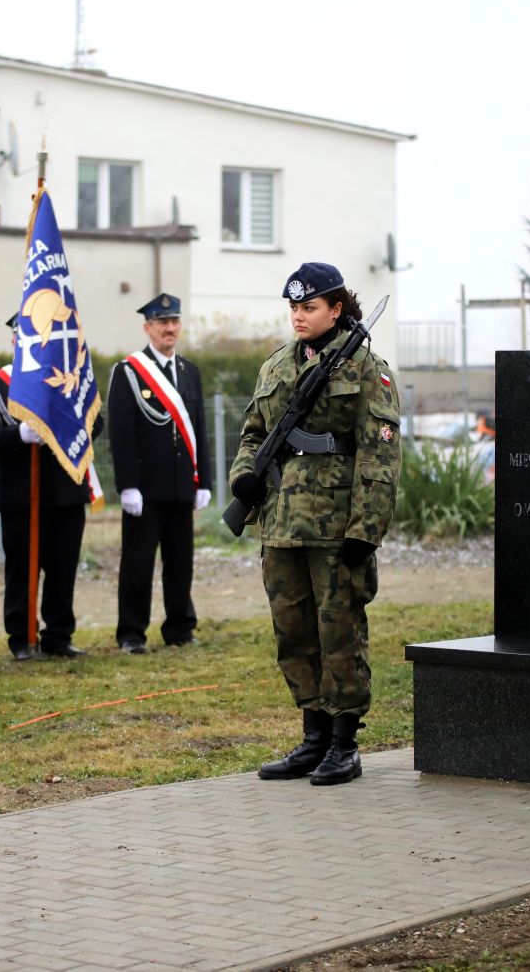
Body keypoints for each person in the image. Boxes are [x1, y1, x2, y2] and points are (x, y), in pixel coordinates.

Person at [228, 263, 401, 786]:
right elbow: (254, 434)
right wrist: (243, 478)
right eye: (294, 309)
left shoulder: (368, 369)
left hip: (335, 527)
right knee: (293, 631)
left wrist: (364, 531)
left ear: (337, 309)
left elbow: (380, 457)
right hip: (280, 523)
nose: (299, 317)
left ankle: (344, 743)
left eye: (310, 308)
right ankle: (313, 736)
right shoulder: (276, 365)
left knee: (339, 631)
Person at [0, 314, 96, 660]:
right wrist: (18, 435)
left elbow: (96, 421)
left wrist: (63, 427)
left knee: (63, 568)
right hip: (20, 496)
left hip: (65, 493)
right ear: (14, 341)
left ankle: (58, 635)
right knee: (21, 570)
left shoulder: (71, 379)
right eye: (24, 337)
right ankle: (21, 637)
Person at [107, 293, 212, 653]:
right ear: (147, 328)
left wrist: (205, 481)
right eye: (161, 323)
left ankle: (180, 627)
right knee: (138, 564)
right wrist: (127, 487)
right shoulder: (129, 373)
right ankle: (131, 633)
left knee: (181, 562)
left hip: (183, 485)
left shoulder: (189, 372)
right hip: (145, 489)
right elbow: (121, 434)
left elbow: (199, 430)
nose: (169, 328)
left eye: (174, 322)